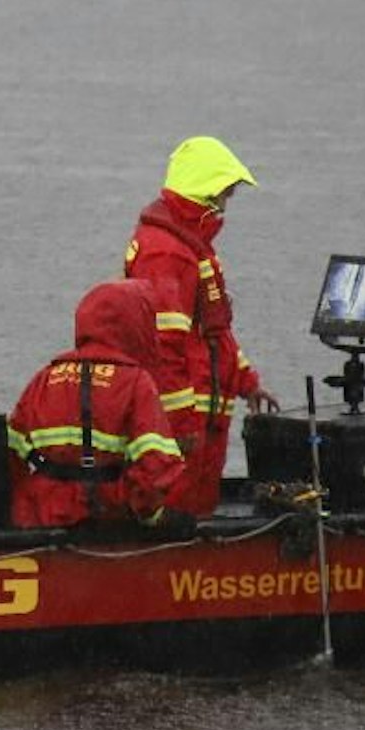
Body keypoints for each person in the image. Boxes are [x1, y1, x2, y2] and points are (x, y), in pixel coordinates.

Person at [123, 136, 279, 517]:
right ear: (205, 194)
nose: (227, 203)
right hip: (189, 424)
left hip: (206, 415)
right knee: (179, 519)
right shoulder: (167, 252)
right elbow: (164, 349)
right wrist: (180, 425)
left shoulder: (189, 244)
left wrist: (247, 381)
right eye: (224, 194)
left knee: (199, 511)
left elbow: (215, 331)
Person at [6, 279, 189, 531]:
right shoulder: (135, 382)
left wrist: (25, 508)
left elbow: (9, 455)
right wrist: (149, 516)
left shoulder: (45, 378)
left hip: (40, 519)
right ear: (135, 325)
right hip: (107, 520)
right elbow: (156, 468)